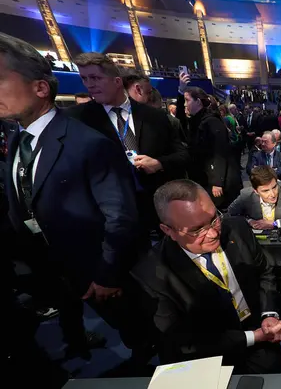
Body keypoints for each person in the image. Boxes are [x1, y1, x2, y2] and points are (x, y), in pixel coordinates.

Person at [0, 33, 147, 361]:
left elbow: (120, 216)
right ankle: (78, 347)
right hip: (55, 267)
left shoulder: (88, 144)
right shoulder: (17, 140)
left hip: (99, 272)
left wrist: (107, 274)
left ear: (40, 88)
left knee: (134, 329)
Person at [131, 180, 281, 371]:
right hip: (204, 358)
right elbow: (181, 341)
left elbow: (265, 273)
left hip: (260, 334)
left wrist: (269, 314)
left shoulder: (238, 228)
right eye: (197, 230)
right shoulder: (151, 274)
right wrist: (253, 336)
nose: (213, 233)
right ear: (168, 230)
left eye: (214, 219)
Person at [68, 52, 189, 232]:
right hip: (110, 217)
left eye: (95, 78)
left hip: (155, 209)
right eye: (84, 78)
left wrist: (159, 163)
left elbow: (183, 155)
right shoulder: (77, 119)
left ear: (117, 81)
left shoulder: (154, 116)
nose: (89, 85)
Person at [177, 73, 242, 209]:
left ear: (198, 102)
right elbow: (180, 121)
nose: (185, 104)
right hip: (203, 176)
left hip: (215, 179)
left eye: (187, 100)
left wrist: (217, 182)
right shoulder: (197, 120)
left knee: (216, 211)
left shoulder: (212, 121)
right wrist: (180, 91)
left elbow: (220, 152)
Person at [228, 166, 281, 230]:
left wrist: (275, 223)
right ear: (256, 191)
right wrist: (249, 221)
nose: (272, 194)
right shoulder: (246, 195)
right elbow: (230, 213)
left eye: (274, 187)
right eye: (265, 191)